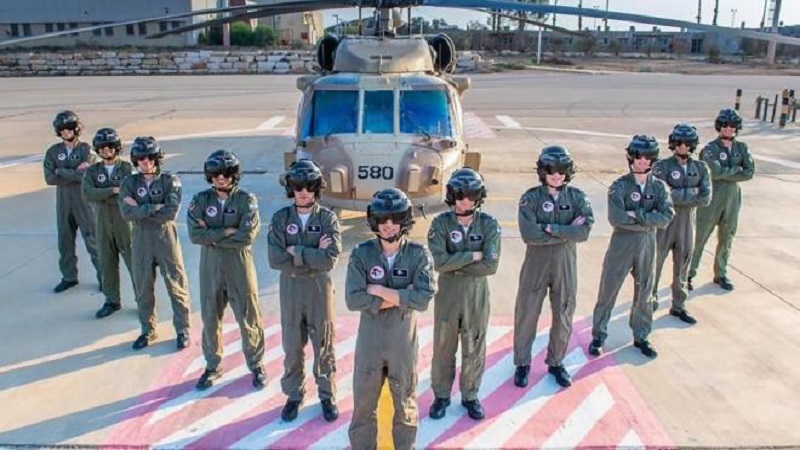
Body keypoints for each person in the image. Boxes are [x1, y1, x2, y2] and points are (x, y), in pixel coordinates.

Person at [346, 188, 435, 450]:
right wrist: (402, 296)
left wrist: (378, 290)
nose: (388, 225)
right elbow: (353, 299)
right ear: (374, 220)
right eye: (382, 218)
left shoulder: (418, 254)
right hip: (370, 343)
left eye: (395, 218)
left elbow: (423, 299)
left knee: (405, 404)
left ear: (404, 220)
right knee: (364, 405)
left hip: (402, 343)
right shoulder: (362, 253)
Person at [513, 146, 594, 388]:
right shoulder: (530, 198)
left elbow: (584, 231)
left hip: (564, 263)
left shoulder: (578, 198)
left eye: (561, 171)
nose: (556, 176)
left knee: (564, 312)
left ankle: (556, 361)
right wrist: (566, 232)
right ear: (542, 172)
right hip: (536, 263)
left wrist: (550, 228)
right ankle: (522, 363)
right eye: (551, 171)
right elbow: (529, 234)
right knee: (527, 312)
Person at [267, 159, 341, 421]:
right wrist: (312, 253)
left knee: (324, 343)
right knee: (292, 344)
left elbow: (330, 259)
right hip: (291, 288)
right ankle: (294, 395)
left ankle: (327, 394)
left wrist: (296, 251)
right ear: (291, 188)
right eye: (298, 186)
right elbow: (275, 259)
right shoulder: (281, 218)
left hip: (318, 288)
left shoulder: (328, 218)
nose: (303, 192)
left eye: (309, 186)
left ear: (317, 188)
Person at [589, 135, 674, 359]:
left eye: (647, 157)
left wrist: (636, 214)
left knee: (645, 291)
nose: (642, 161)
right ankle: (598, 336)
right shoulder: (619, 186)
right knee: (608, 289)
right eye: (638, 156)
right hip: (622, 242)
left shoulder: (660, 188)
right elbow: (617, 218)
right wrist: (648, 218)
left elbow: (666, 217)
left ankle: (641, 335)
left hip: (647, 243)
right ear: (631, 157)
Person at [188, 150, 266, 390]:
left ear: (234, 175)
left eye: (226, 173)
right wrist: (227, 231)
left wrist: (211, 235)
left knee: (249, 316)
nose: (221, 178)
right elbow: (195, 235)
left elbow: (246, 236)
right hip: (211, 266)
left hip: (239, 264)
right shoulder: (201, 200)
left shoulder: (246, 200)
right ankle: (213, 365)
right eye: (215, 174)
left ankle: (256, 364)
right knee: (210, 316)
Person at [427, 168, 500, 421]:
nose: (465, 201)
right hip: (448, 294)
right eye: (460, 195)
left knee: (474, 345)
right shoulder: (440, 224)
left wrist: (455, 262)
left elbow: (490, 265)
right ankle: (441, 395)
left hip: (476, 295)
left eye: (471, 195)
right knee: (444, 347)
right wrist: (472, 255)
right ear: (452, 196)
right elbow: (439, 262)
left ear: (479, 197)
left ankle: (470, 395)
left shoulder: (489, 224)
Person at [119, 136, 191, 351]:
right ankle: (148, 329)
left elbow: (170, 212)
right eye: (141, 158)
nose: (146, 161)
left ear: (157, 158)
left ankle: (183, 329)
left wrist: (141, 208)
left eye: (150, 157)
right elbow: (126, 213)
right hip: (141, 238)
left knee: (176, 285)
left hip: (165, 237)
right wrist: (154, 207)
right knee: (143, 287)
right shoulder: (129, 183)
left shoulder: (170, 181)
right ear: (135, 160)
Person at [688, 109, 756, 292]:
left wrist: (728, 172)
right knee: (700, 237)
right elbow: (715, 172)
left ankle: (721, 273)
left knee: (727, 236)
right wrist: (736, 170)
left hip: (733, 197)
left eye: (733, 125)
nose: (729, 129)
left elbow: (749, 172)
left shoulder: (742, 148)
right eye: (725, 125)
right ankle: (688, 273)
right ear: (719, 126)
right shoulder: (710, 149)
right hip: (713, 196)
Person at [652, 124, 711, 324]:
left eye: (687, 143)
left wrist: (677, 193)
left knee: (683, 266)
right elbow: (661, 195)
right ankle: (648, 304)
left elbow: (705, 198)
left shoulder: (701, 167)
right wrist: (692, 192)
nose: (683, 146)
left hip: (687, 224)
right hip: (664, 224)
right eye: (679, 142)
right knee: (654, 265)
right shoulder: (662, 167)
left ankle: (679, 306)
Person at [43, 110, 101, 293]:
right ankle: (69, 277)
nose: (66, 132)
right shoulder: (53, 152)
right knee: (65, 241)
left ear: (76, 129)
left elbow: (86, 175)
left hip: (84, 202)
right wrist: (73, 172)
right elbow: (49, 178)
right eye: (62, 130)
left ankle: (105, 278)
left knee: (93, 241)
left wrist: (61, 171)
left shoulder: (86, 150)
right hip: (63, 202)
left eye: (69, 128)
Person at [81, 128, 135, 318]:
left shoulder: (127, 169)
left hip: (125, 224)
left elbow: (129, 193)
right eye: (102, 147)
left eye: (110, 146)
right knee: (106, 263)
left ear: (116, 147)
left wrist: (102, 195)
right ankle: (111, 300)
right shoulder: (93, 171)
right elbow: (88, 193)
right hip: (102, 223)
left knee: (134, 264)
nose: (106, 150)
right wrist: (112, 190)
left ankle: (143, 301)